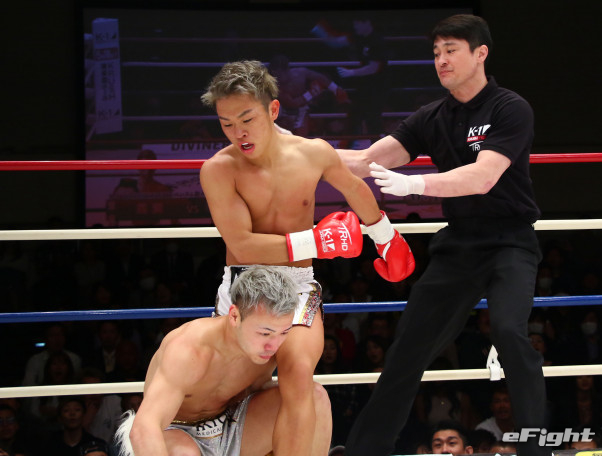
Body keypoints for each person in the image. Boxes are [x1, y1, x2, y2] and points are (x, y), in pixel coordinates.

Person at [339, 14, 548, 456]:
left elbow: (484, 176)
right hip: (460, 243)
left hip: (510, 241)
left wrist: (416, 184)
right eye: (436, 53)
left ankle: (536, 450)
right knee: (407, 349)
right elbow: (364, 161)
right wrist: (290, 149)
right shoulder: (432, 116)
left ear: (480, 53)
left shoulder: (509, 108)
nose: (441, 60)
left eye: (451, 50)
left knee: (510, 333)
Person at [199, 59, 415, 455]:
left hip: (296, 286)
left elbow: (354, 187)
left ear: (273, 110)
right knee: (234, 391)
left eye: (247, 119)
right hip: (243, 285)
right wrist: (317, 242)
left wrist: (386, 238)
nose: (238, 132)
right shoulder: (218, 169)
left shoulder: (313, 153)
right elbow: (242, 244)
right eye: (226, 123)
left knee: (299, 375)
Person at [114, 266, 331, 456]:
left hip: (231, 424)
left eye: (283, 332)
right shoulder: (187, 350)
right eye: (265, 333)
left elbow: (261, 393)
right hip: (178, 432)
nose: (273, 345)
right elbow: (144, 428)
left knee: (314, 396)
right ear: (234, 316)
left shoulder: (268, 347)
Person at [268, 54, 349, 136]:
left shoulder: (301, 73)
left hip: (302, 109)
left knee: (301, 134)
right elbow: (292, 103)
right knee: (283, 133)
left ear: (286, 70)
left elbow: (320, 77)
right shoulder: (275, 84)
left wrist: (336, 89)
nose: (276, 77)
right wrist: (312, 93)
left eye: (278, 74)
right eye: (274, 75)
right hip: (283, 111)